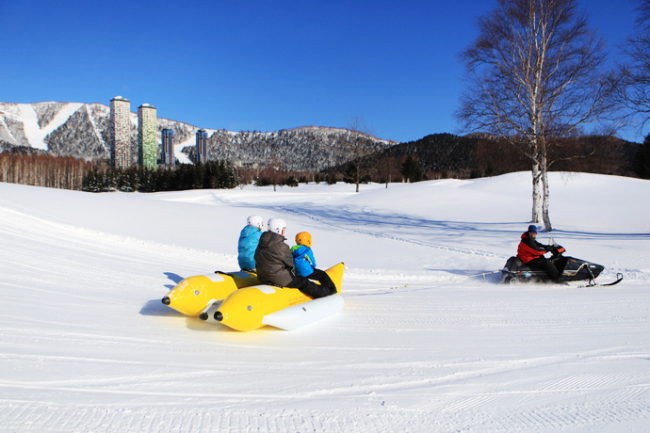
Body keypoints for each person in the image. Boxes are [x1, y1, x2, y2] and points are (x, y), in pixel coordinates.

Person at [254, 218, 337, 298]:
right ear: (279, 230)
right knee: (303, 282)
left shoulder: (261, 244)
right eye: (284, 229)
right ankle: (328, 292)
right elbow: (290, 264)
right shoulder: (281, 246)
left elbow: (256, 257)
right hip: (278, 278)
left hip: (262, 277)